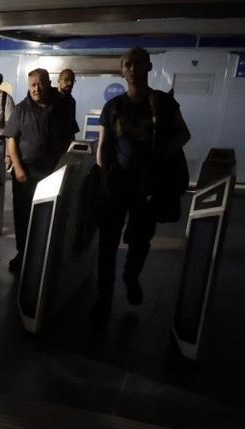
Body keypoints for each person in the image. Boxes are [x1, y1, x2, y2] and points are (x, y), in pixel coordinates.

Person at [92, 47, 190, 321]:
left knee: (140, 239)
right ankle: (104, 296)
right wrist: (104, 176)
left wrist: (163, 156)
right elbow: (103, 146)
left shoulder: (163, 102)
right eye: (128, 65)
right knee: (107, 242)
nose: (133, 69)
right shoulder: (114, 107)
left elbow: (184, 134)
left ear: (148, 66)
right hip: (118, 182)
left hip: (149, 185)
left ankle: (131, 276)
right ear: (122, 70)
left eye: (138, 64)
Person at [4, 68, 79, 272]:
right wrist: (18, 167)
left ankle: (47, 255)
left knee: (52, 215)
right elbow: (11, 140)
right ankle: (23, 253)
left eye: (40, 84)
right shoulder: (20, 110)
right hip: (25, 173)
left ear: (49, 83)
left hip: (54, 172)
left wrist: (66, 165)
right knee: (23, 215)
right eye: (32, 85)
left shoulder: (63, 106)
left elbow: (70, 137)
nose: (36, 89)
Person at [57, 68, 79, 134]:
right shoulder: (49, 97)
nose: (70, 83)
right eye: (66, 79)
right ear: (59, 81)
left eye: (72, 80)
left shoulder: (71, 101)